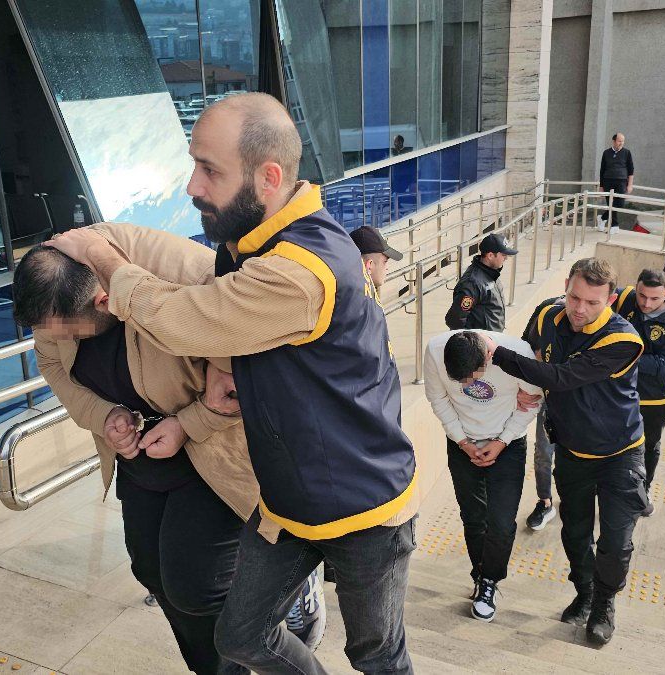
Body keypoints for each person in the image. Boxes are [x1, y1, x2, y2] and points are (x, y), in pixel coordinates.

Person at [47, 93, 417, 674]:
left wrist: (99, 253)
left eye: (209, 170)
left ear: (268, 178)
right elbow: (225, 330)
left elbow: (179, 321)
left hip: (362, 505)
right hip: (285, 499)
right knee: (242, 638)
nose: (192, 186)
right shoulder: (248, 245)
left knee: (377, 655)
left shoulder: (300, 270)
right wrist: (220, 379)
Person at [13, 225, 322, 675]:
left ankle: (287, 594)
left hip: (214, 451)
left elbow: (251, 378)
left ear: (105, 302)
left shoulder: (193, 277)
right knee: (151, 573)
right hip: (142, 456)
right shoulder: (54, 288)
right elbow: (51, 364)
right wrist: (104, 416)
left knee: (198, 587)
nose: (65, 342)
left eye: (73, 334)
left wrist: (188, 424)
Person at [482, 257, 646, 646]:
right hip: (572, 452)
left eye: (592, 302)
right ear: (566, 286)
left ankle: (604, 604)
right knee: (574, 534)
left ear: (611, 300)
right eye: (574, 297)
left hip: (619, 455)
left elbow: (561, 376)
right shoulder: (547, 316)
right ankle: (585, 593)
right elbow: (529, 354)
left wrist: (497, 354)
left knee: (615, 542)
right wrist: (524, 388)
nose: (579, 309)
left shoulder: (623, 340)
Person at [424, 330, 541, 622]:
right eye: (459, 381)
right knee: (473, 517)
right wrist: (462, 441)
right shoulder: (435, 350)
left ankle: (491, 579)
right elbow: (437, 399)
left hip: (508, 445)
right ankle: (481, 576)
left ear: (488, 358)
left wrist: (502, 440)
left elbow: (534, 400)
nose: (465, 385)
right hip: (461, 444)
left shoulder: (516, 353)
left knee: (501, 523)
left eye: (471, 378)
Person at [612, 269, 665, 515]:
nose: (646, 303)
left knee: (647, 447)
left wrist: (621, 354)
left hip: (654, 399)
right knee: (611, 441)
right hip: (619, 391)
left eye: (654, 298)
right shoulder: (624, 298)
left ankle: (643, 490)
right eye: (642, 296)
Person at [446, 232, 517, 331]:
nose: (506, 258)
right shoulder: (472, 283)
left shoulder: (491, 273)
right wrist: (474, 339)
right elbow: (454, 320)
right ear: (490, 255)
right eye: (503, 255)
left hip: (493, 338)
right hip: (482, 340)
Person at [350, 225, 402, 293]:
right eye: (385, 262)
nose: (387, 268)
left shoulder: (347, 292)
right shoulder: (359, 298)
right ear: (369, 266)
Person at [598, 133, 634, 229]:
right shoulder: (606, 153)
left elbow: (631, 170)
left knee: (620, 204)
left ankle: (602, 218)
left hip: (621, 182)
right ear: (614, 141)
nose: (621, 143)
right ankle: (614, 226)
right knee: (610, 203)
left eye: (623, 141)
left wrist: (630, 185)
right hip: (608, 181)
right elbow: (602, 170)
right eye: (619, 141)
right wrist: (601, 186)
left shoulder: (627, 153)